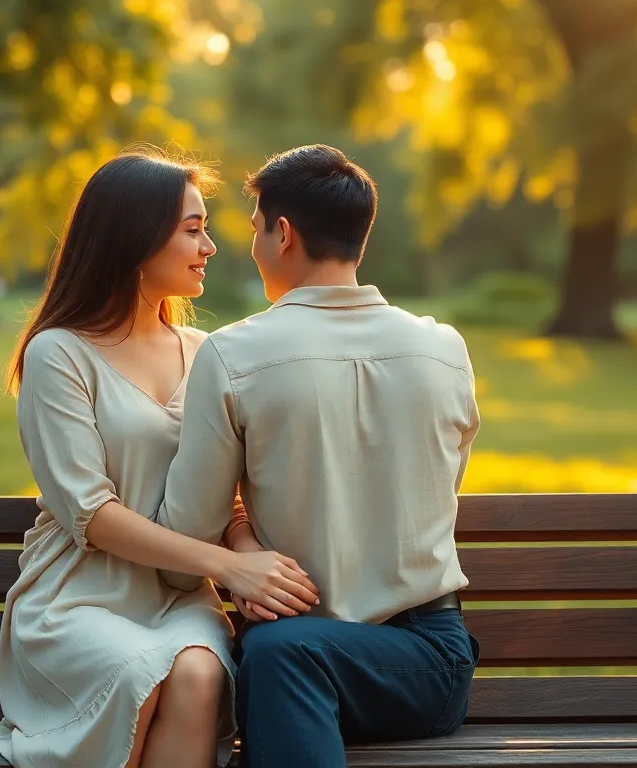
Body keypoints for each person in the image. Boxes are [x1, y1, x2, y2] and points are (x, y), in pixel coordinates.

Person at [0, 147, 321, 768]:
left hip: (177, 599)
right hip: (77, 597)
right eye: (192, 230)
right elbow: (92, 515)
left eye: (207, 229)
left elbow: (228, 493)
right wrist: (226, 563)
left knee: (198, 675)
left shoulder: (207, 352)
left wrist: (248, 558)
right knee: (139, 672)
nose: (210, 246)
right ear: (134, 239)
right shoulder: (58, 354)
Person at [155, 144, 482, 767]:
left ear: (283, 233)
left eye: (255, 231)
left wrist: (240, 534)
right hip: (430, 665)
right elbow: (440, 488)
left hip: (330, 658)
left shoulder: (232, 355)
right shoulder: (445, 349)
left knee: (279, 655)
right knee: (282, 658)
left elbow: (182, 548)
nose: (251, 249)